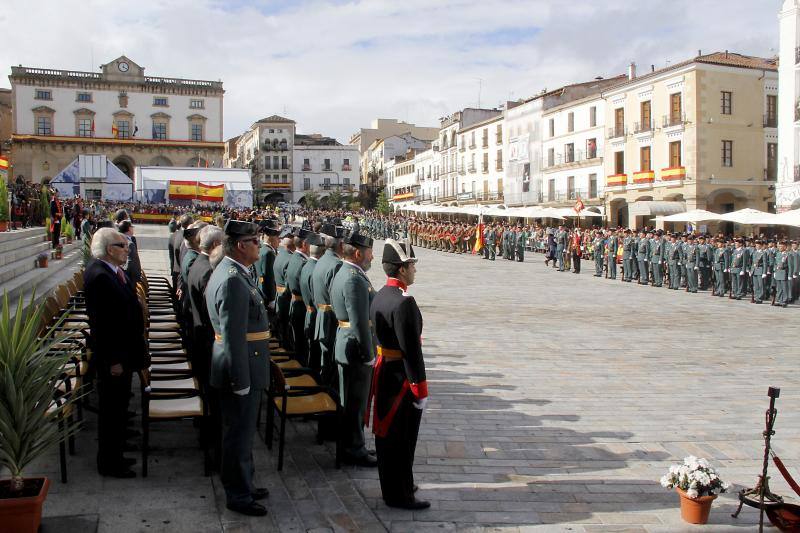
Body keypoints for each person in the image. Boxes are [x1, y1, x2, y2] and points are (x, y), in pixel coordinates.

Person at [205, 220, 271, 516]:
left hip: (246, 362)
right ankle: (238, 495)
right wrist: (240, 379)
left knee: (243, 432)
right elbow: (232, 335)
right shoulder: (232, 278)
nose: (259, 244)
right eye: (255, 241)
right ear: (241, 246)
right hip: (240, 367)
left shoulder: (236, 273)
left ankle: (244, 482)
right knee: (238, 434)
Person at [367, 239, 429, 510]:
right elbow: (412, 351)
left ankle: (396, 484)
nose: (414, 270)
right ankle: (400, 495)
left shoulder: (380, 294)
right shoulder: (404, 303)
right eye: (412, 265)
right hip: (401, 378)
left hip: (384, 371)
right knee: (403, 439)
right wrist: (420, 389)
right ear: (402, 269)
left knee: (387, 437)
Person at [84, 228, 146, 478]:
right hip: (115, 356)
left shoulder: (112, 272)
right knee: (111, 409)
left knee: (119, 405)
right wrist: (114, 360)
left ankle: (119, 446)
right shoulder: (100, 276)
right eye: (123, 245)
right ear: (110, 250)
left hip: (124, 352)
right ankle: (110, 461)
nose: (127, 248)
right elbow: (104, 325)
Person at [330, 231, 378, 467]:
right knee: (355, 402)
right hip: (355, 349)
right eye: (370, 252)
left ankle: (353, 444)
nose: (372, 256)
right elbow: (359, 321)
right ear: (358, 253)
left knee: (351, 401)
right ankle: (354, 448)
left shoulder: (347, 272)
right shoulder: (353, 279)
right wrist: (369, 355)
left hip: (347, 343)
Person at [313, 224, 345, 391]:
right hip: (331, 321)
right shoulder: (336, 265)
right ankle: (328, 406)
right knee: (331, 369)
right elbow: (338, 299)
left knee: (325, 363)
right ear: (341, 245)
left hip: (321, 317)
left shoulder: (322, 260)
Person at [285, 228, 311, 366]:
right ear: (305, 245)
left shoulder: (294, 257)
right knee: (302, 344)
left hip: (294, 303)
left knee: (298, 340)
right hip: (302, 307)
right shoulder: (303, 263)